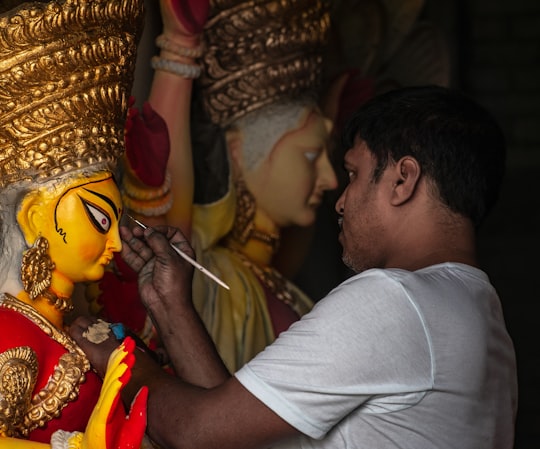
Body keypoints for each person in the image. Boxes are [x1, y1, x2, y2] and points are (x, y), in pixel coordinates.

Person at [70, 84, 518, 449]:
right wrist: (170, 305)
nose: (340, 200)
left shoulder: (396, 301)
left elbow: (197, 433)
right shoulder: (479, 315)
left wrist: (119, 359)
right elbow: (233, 432)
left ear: (403, 179)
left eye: (354, 174)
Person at [95, 0, 339, 372]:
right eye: (310, 155)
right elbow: (170, 243)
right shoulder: (215, 279)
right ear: (238, 152)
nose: (331, 178)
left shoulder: (276, 285)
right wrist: (180, 44)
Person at [0, 0, 148, 447]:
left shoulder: (62, 326)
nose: (117, 242)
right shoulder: (10, 333)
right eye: (100, 217)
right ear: (34, 217)